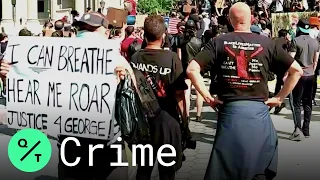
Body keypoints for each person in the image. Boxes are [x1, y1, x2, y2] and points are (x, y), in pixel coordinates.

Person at [0, 12, 130, 180]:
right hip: (103, 144)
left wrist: (11, 76)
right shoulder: (61, 54)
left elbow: (36, 83)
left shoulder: (57, 55)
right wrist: (12, 76)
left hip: (75, 143)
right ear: (104, 31)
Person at [186, 2, 302, 180]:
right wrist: (279, 98)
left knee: (226, 168)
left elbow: (191, 69)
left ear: (230, 20)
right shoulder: (266, 42)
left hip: (230, 111)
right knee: (258, 165)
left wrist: (208, 98)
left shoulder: (218, 42)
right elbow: (297, 71)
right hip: (259, 112)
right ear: (252, 19)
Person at [129, 15, 184, 180]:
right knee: (167, 170)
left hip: (143, 121)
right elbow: (180, 94)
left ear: (144, 35)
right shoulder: (172, 58)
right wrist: (185, 121)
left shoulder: (135, 57)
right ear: (164, 35)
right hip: (167, 121)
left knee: (144, 169)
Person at [289, 18, 320, 140]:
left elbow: (291, 60)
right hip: (311, 75)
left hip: (299, 75)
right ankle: (306, 129)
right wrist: (311, 70)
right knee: (308, 103)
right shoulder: (315, 42)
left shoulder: (295, 41)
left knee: (297, 103)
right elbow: (315, 60)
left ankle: (298, 129)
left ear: (299, 28)